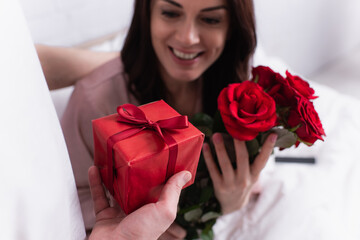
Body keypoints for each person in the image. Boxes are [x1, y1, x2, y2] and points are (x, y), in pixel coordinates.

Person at [37, 0, 277, 237]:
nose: (188, 37)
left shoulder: (235, 94)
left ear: (232, 28)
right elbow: (68, 205)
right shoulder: (95, 99)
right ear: (147, 14)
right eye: (171, 13)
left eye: (211, 19)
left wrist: (229, 203)